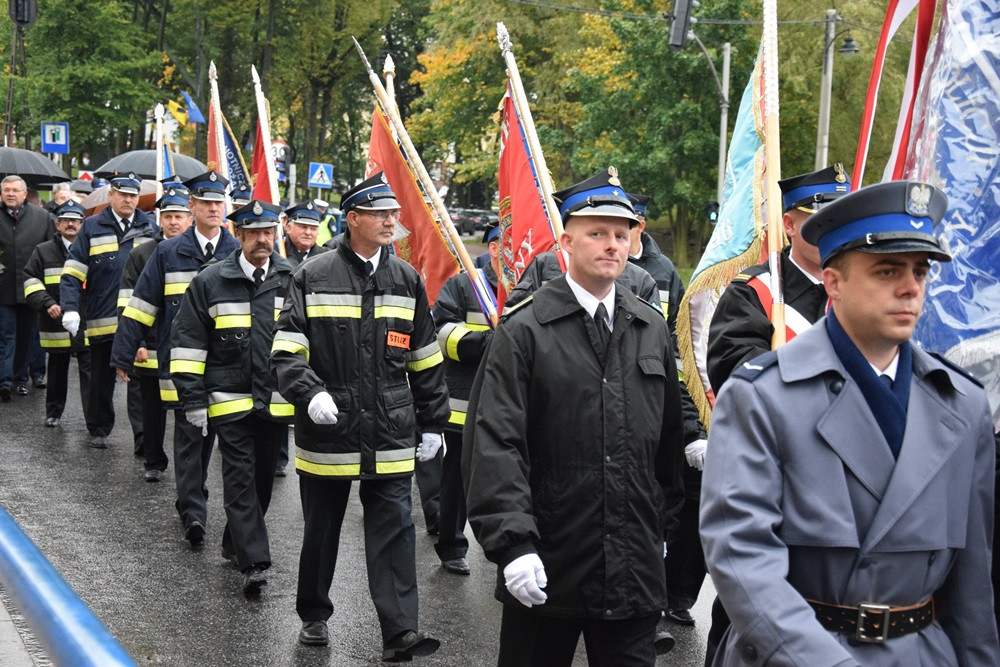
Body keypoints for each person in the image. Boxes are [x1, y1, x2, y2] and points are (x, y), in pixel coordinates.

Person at [700, 180, 1000, 665]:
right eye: (887, 270)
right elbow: (743, 560)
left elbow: (971, 587)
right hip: (798, 653)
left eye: (920, 271)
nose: (910, 287)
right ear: (834, 282)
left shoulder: (961, 404)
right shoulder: (763, 397)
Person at [463, 168, 686, 666]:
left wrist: (661, 530)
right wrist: (512, 544)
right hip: (548, 561)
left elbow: (668, 443)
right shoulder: (525, 331)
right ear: (566, 240)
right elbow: (496, 442)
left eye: (621, 234)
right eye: (597, 233)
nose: (612, 245)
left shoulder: (649, 327)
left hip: (633, 567)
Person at [270, 172, 448, 661]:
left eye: (394, 214)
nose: (393, 221)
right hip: (329, 429)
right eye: (381, 214)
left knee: (395, 531)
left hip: (391, 429)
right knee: (322, 531)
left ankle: (400, 631)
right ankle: (313, 615)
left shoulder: (406, 278)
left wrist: (434, 422)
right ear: (353, 219)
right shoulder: (313, 274)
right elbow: (286, 351)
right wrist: (308, 394)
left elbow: (425, 356)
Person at [701, 164, 850, 661]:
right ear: (789, 224)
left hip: (845, 485)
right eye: (815, 216)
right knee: (749, 611)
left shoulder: (854, 285)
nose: (829, 227)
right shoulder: (757, 291)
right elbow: (733, 371)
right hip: (775, 476)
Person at [170, 199, 294, 596]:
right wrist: (191, 399)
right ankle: (254, 561)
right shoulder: (210, 281)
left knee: (261, 483)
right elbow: (188, 341)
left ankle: (233, 542)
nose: (263, 240)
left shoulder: (291, 279)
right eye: (254, 233)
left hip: (275, 402)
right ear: (237, 235)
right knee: (239, 478)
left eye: (269, 232)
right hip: (229, 402)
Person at [113, 171, 239, 544]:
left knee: (214, 437)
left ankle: (196, 494)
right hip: (181, 363)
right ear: (192, 207)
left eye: (219, 202)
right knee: (188, 436)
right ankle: (193, 511)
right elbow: (142, 305)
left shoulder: (237, 251)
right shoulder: (167, 253)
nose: (214, 208)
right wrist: (123, 352)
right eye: (206, 202)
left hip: (226, 365)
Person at [626, 192, 708, 630]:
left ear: (641, 224)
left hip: (661, 401)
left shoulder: (665, 273)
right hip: (619, 400)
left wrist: (691, 426)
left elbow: (681, 351)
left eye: (631, 223)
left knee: (669, 502)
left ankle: (670, 597)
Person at [59, 172, 156, 449]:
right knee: (100, 377)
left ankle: (142, 435)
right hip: (102, 317)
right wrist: (70, 307)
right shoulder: (91, 226)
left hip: (138, 319)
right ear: (110, 195)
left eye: (133, 195)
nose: (128, 199)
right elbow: (73, 271)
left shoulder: (149, 226)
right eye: (122, 194)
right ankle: (99, 428)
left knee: (138, 379)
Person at [430, 220, 501, 576]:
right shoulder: (463, 285)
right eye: (502, 244)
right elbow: (442, 333)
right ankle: (451, 545)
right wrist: (489, 343)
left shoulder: (527, 286)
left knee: (504, 477)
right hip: (464, 402)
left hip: (508, 405)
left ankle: (503, 544)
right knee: (456, 478)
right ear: (492, 247)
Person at [112, 188, 193, 482]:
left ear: (189, 218)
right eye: (168, 216)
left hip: (186, 346)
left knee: (186, 406)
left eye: (179, 216)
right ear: (160, 219)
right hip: (151, 343)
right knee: (152, 406)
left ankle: (189, 468)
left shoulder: (196, 252)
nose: (173, 222)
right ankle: (154, 460)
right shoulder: (141, 253)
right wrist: (136, 343)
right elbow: (128, 302)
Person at [22, 200, 90, 426]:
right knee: (57, 369)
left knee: (90, 372)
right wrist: (46, 303)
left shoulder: (91, 249)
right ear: (57, 224)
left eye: (76, 221)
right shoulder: (43, 251)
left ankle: (94, 420)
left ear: (82, 224)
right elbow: (30, 281)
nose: (71, 224)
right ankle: (54, 412)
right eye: (66, 220)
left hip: (86, 320)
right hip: (55, 321)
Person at [0, 175, 53, 401]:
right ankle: (5, 381)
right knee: (5, 336)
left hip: (32, 290)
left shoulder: (42, 217)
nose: (10, 194)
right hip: (2, 290)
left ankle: (21, 380)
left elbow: (51, 251)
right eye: (6, 190)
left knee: (26, 337)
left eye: (15, 190)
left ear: (24, 194)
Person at [280, 201, 330, 266]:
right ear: (289, 228)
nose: (308, 232)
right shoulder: (277, 252)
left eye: (313, 229)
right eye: (303, 227)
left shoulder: (327, 257)